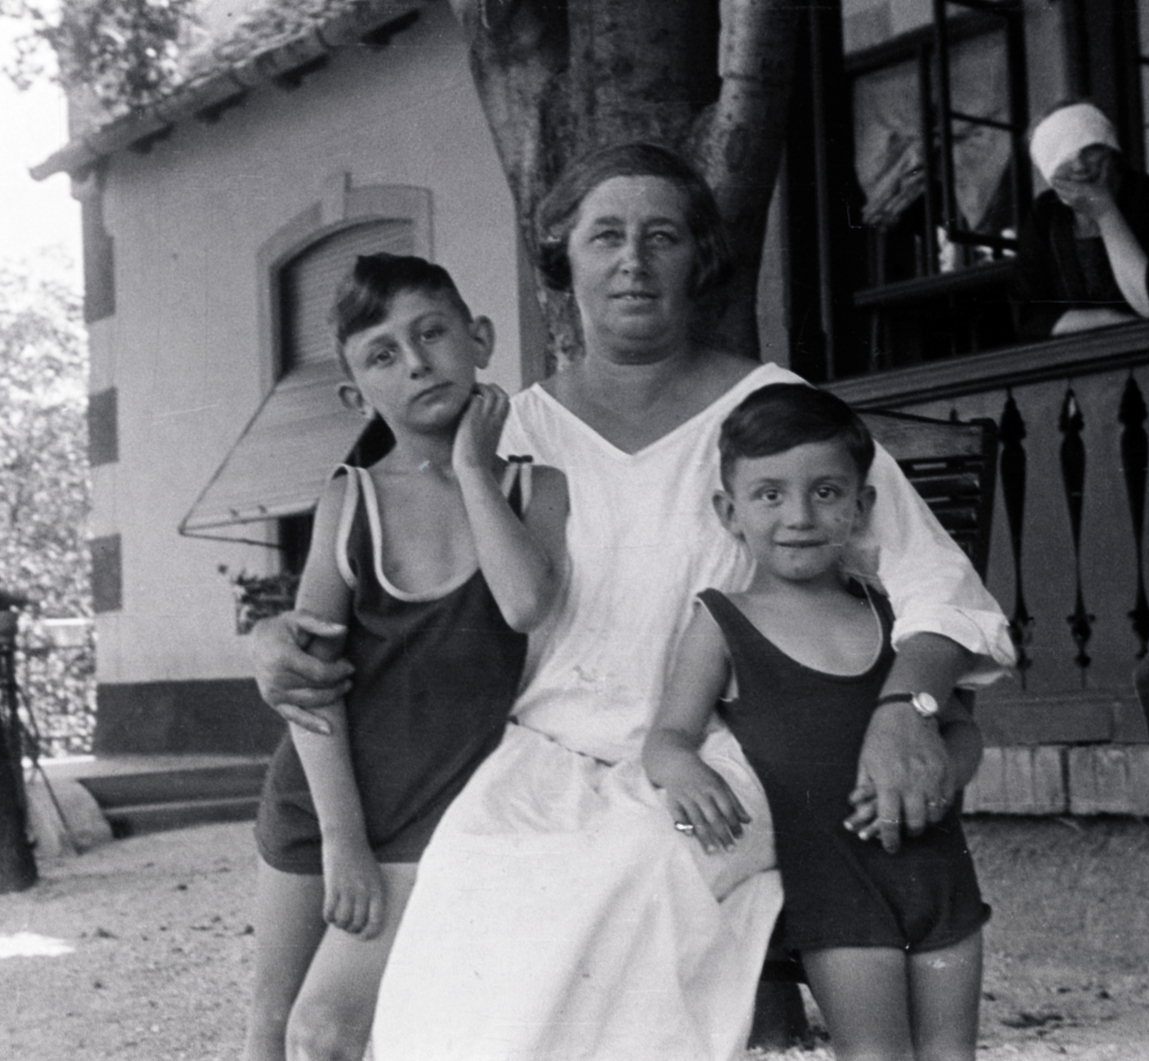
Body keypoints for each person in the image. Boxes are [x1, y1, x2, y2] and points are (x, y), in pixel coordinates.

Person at [251, 142, 1014, 1061]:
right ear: (564, 262)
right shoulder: (510, 432)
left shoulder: (777, 419)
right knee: (476, 890)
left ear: (701, 258)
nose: (632, 259)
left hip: (718, 756)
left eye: (662, 236)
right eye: (604, 235)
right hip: (534, 759)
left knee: (626, 878)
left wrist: (908, 706)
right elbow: (395, 581)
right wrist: (274, 635)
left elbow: (938, 586)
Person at [241, 254, 568, 1061]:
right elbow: (310, 689)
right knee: (271, 1024)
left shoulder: (538, 489)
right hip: (321, 798)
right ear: (357, 394)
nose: (417, 361)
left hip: (430, 809)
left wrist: (470, 470)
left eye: (432, 333)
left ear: (480, 338)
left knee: (331, 1034)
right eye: (383, 354)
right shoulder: (349, 501)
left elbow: (527, 603)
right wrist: (339, 837)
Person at [643, 383, 988, 1061]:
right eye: (770, 494)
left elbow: (959, 729)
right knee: (875, 1054)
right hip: (835, 887)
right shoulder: (722, 620)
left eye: (826, 492)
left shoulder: (891, 615)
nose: (799, 515)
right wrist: (683, 769)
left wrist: (945, 771)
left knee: (953, 1054)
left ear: (861, 507)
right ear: (729, 510)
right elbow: (668, 734)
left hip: (937, 867)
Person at [1012, 101, 1149, 341]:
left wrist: (1105, 211)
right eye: (1062, 158)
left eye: (1090, 150)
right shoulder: (1044, 214)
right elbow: (1031, 318)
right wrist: (1114, 321)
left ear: (1110, 148)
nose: (1079, 166)